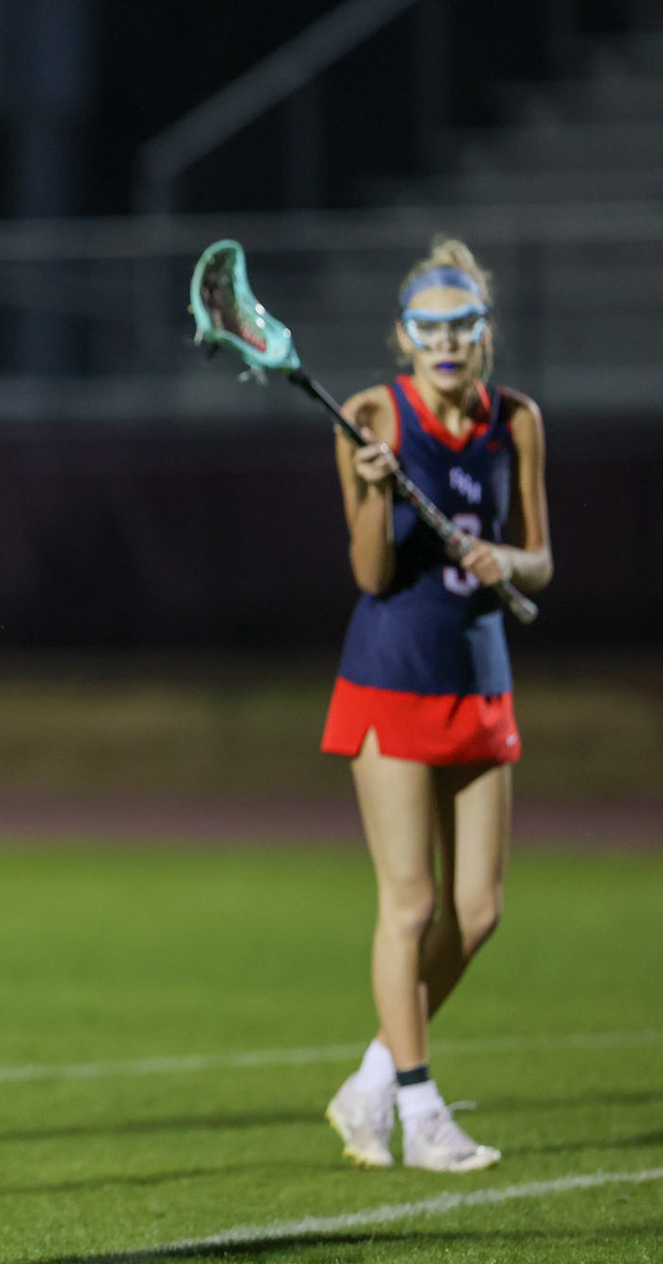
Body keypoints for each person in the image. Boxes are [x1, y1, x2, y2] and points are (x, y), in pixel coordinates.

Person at [319, 238, 552, 1174]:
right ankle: (422, 1110)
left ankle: (373, 1077)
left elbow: (541, 555)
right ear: (404, 336)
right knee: (410, 905)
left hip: (480, 674)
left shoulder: (519, 420)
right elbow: (371, 571)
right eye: (429, 327)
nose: (446, 342)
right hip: (390, 672)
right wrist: (376, 493)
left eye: (462, 325)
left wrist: (511, 564)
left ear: (483, 333)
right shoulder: (369, 416)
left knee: (480, 910)